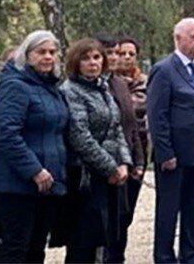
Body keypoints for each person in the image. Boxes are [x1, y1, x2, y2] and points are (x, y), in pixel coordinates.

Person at [0, 31, 69, 264]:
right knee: (16, 249)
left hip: (48, 183)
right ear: (27, 55)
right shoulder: (15, 86)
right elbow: (7, 134)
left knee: (37, 248)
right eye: (41, 52)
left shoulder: (51, 88)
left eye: (52, 52)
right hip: (18, 184)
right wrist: (34, 170)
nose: (48, 57)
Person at [147, 18, 194, 264]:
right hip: (175, 156)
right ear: (178, 39)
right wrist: (165, 153)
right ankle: (164, 257)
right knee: (168, 211)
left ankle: (191, 256)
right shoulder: (164, 70)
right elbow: (157, 115)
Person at [60, 38, 133, 264]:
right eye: (86, 58)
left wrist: (124, 162)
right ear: (75, 62)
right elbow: (80, 136)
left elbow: (116, 127)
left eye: (97, 57)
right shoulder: (71, 91)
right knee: (84, 240)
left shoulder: (103, 88)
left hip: (112, 175)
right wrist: (110, 168)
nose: (92, 63)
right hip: (86, 176)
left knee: (110, 235)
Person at [95, 33, 146, 264]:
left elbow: (131, 126)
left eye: (117, 52)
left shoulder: (119, 84)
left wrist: (138, 160)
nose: (115, 57)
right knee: (98, 224)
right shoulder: (89, 85)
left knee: (123, 219)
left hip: (127, 165)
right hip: (101, 166)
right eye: (110, 53)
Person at [108, 36, 149, 263]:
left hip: (137, 148)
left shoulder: (144, 82)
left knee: (127, 211)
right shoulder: (107, 83)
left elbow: (137, 117)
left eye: (130, 54)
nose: (124, 57)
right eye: (119, 52)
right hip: (111, 153)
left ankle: (117, 254)